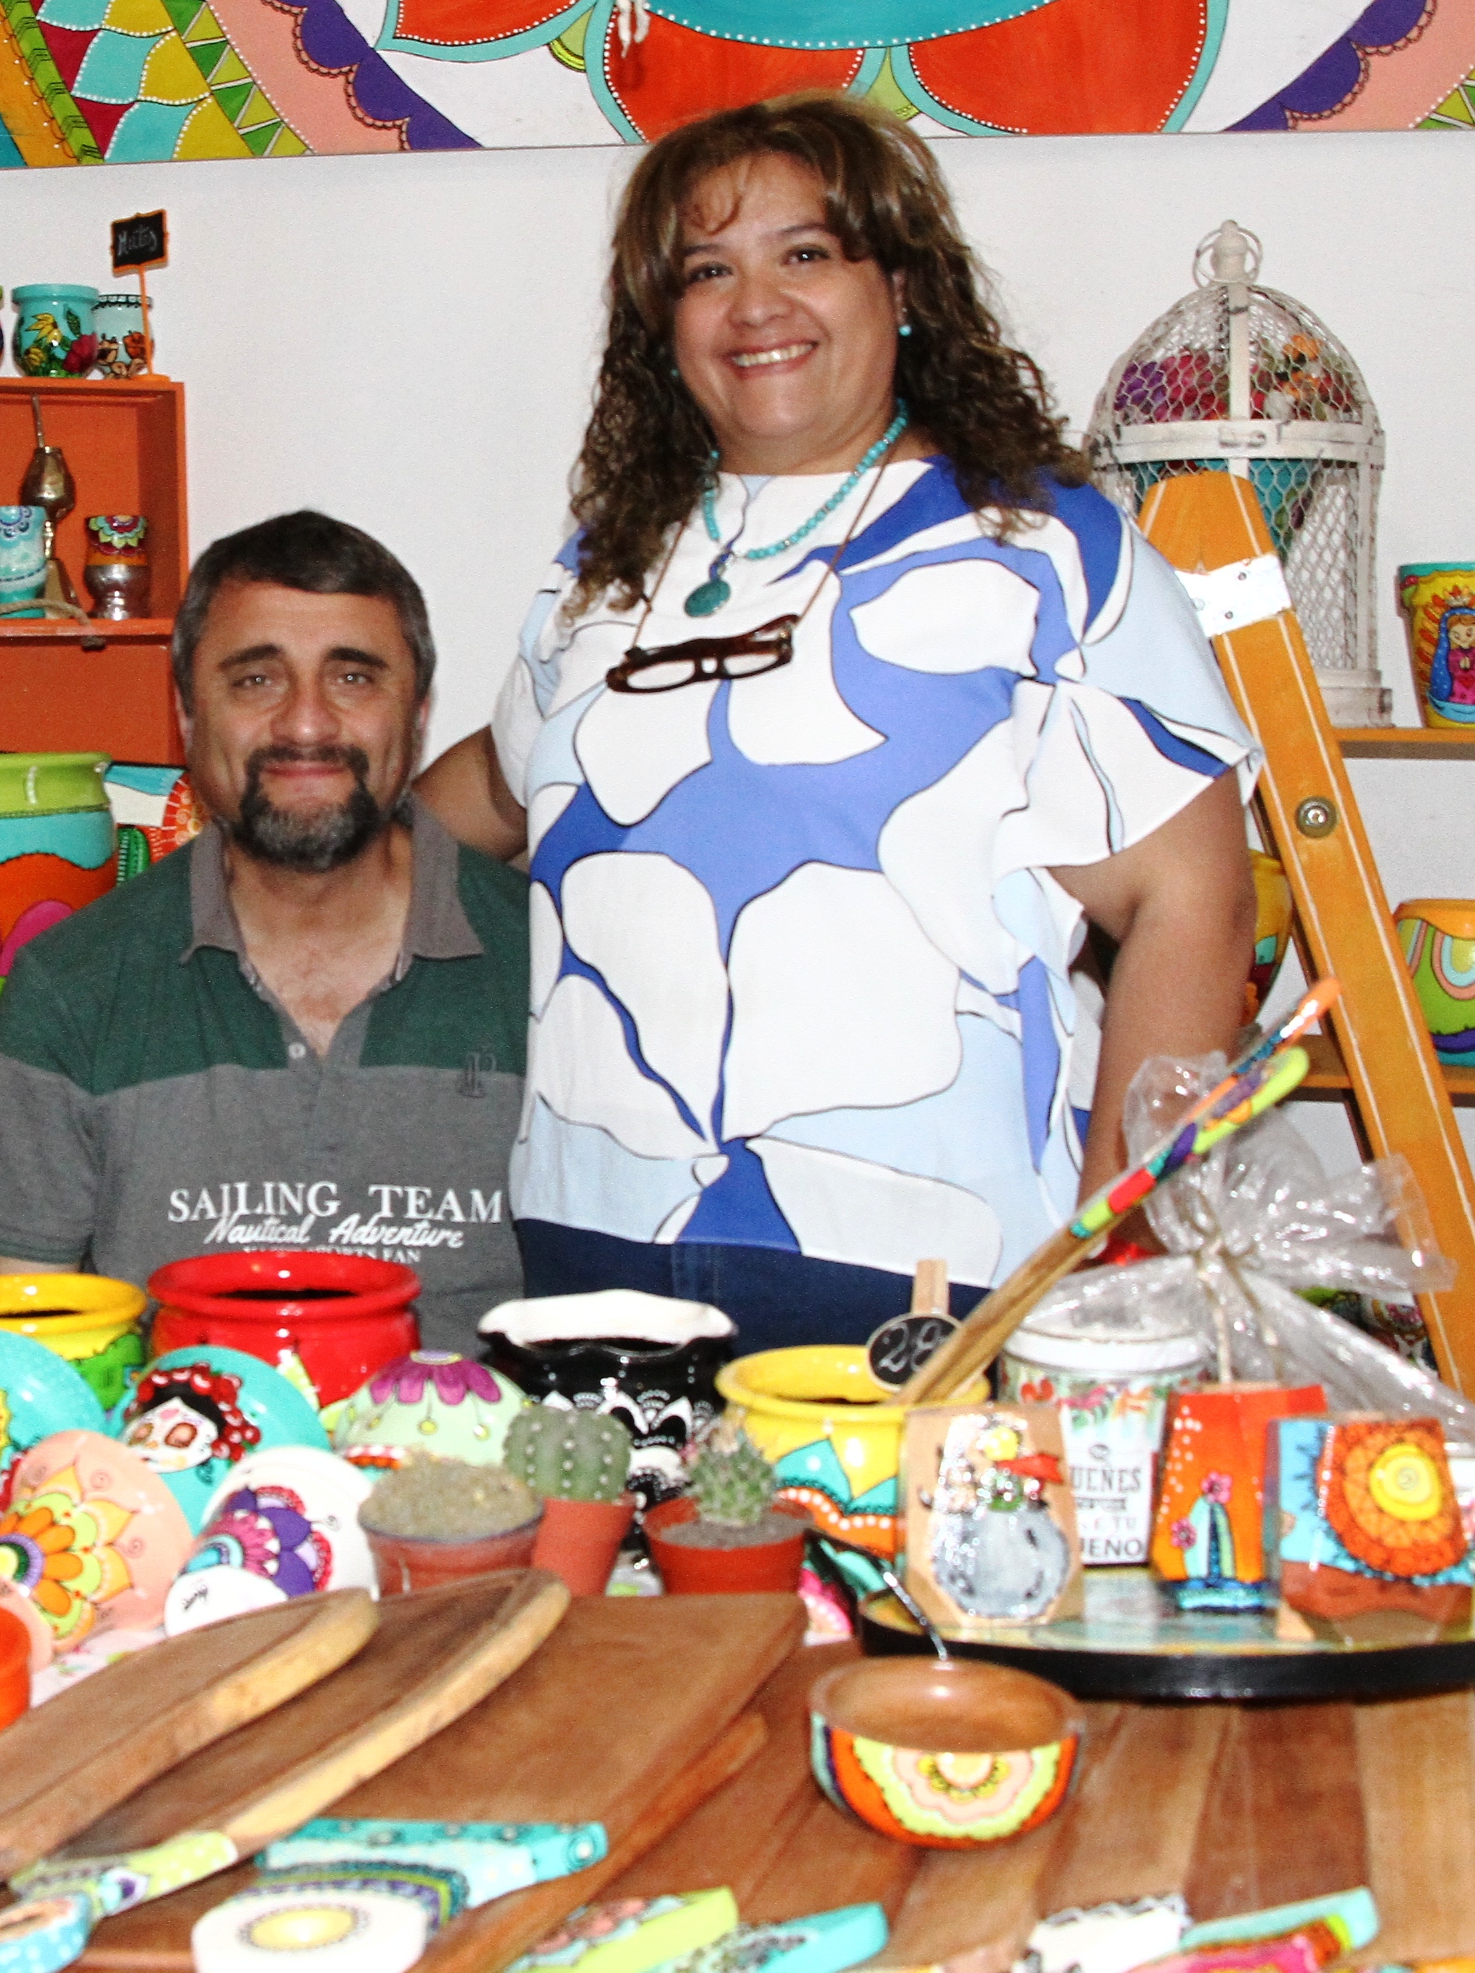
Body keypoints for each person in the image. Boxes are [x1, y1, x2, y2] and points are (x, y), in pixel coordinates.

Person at [416, 93, 1259, 1352]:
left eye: (803, 253)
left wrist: (1104, 1277)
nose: (754, 305)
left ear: (901, 286)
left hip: (924, 1270)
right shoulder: (609, 560)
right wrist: (279, 874)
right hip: (588, 1245)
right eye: (707, 271)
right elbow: (499, 785)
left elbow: (1193, 903)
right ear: (664, 326)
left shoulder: (1045, 552)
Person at [0, 511, 533, 1351]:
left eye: (353, 677)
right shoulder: (70, 988)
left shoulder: (552, 970)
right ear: (188, 714)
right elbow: (11, 1364)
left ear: (417, 715)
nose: (306, 724)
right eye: (257, 679)